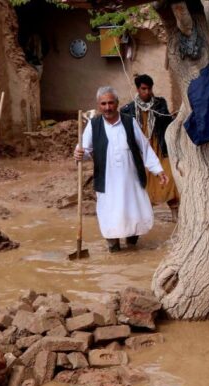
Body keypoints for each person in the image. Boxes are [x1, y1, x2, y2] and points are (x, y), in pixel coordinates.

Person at [74, 86, 168, 252]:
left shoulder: (129, 122)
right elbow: (85, 151)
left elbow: (145, 148)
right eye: (103, 104)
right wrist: (79, 154)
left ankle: (132, 246)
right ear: (98, 105)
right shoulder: (93, 125)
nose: (107, 107)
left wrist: (158, 170)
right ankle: (114, 248)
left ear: (117, 103)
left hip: (130, 180)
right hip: (107, 181)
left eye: (111, 103)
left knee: (133, 214)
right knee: (110, 215)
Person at [120, 74, 180, 221]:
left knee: (169, 178)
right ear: (138, 89)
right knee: (143, 183)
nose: (147, 92)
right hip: (140, 152)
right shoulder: (128, 109)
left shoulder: (160, 104)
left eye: (149, 88)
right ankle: (145, 218)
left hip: (159, 147)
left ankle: (175, 215)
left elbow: (167, 123)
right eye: (143, 89)